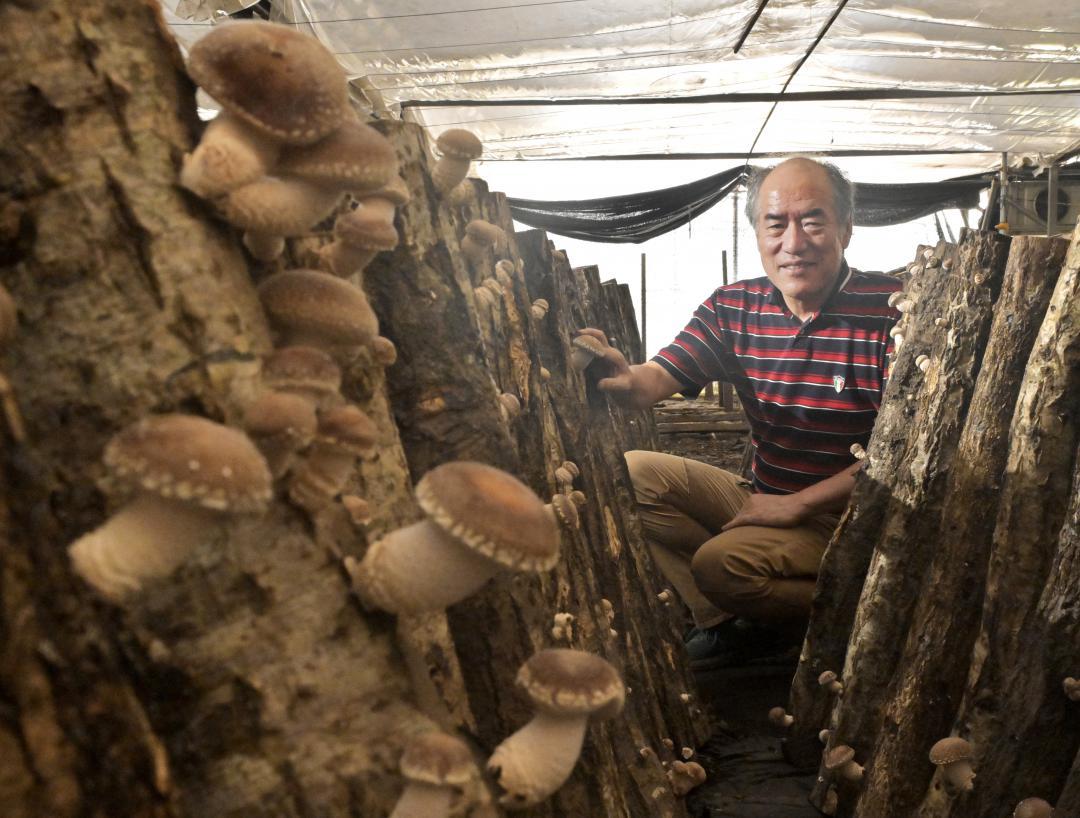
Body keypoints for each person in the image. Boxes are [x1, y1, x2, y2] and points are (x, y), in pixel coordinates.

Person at [578, 157, 902, 670]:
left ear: (846, 229)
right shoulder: (735, 307)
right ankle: (728, 623)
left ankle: (849, 611)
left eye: (812, 221)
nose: (793, 243)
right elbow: (652, 382)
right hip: (764, 496)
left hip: (854, 516)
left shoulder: (892, 311)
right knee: (634, 473)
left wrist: (797, 506)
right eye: (776, 224)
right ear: (757, 233)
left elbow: (903, 453)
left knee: (721, 566)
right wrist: (623, 375)